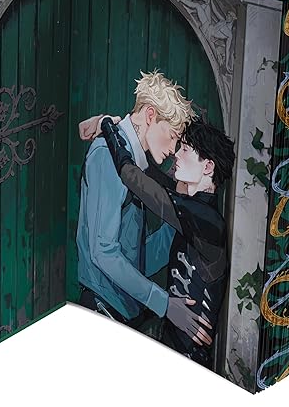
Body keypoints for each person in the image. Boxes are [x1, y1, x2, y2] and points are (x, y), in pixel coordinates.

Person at [76, 70, 212, 344]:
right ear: (151, 115)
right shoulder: (107, 156)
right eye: (172, 136)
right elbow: (103, 253)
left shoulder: (136, 162)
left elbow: (137, 257)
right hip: (102, 311)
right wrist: (164, 304)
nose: (173, 150)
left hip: (121, 311)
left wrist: (180, 216)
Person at [94, 115, 235, 369]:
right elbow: (151, 175)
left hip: (190, 358)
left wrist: (108, 126)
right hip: (173, 346)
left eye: (185, 149)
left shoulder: (206, 220)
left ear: (207, 167)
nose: (176, 154)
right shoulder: (192, 208)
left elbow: (132, 175)